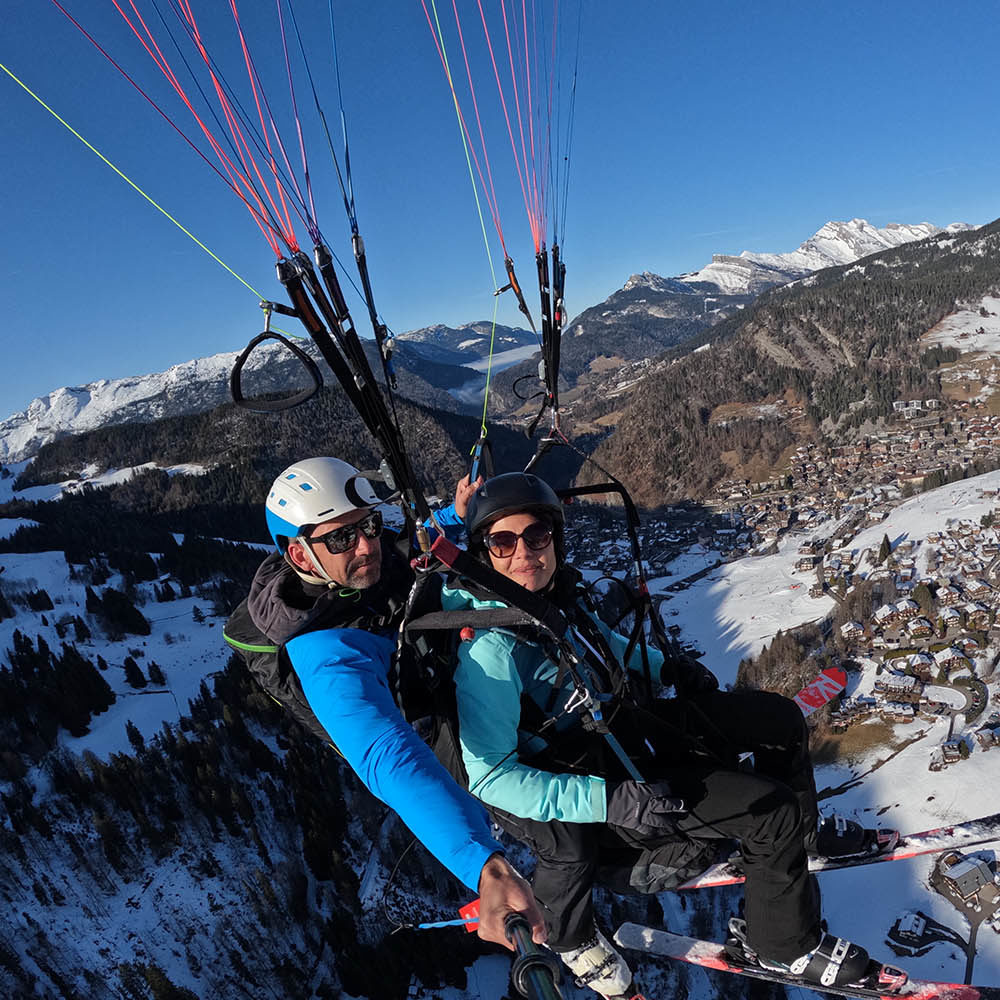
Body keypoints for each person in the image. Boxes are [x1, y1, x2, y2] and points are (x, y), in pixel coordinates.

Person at [442, 471, 899, 997]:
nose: (524, 552)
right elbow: (491, 776)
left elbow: (604, 644)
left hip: (622, 734)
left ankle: (799, 837)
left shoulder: (554, 598)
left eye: (536, 535)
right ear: (483, 553)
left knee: (779, 721)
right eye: (503, 542)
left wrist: (665, 666)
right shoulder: (490, 649)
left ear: (555, 539)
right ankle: (782, 945)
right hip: (605, 787)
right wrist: (610, 800)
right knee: (771, 811)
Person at [224, 457, 545, 951]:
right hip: (414, 718)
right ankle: (572, 928)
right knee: (527, 799)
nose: (365, 545)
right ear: (300, 555)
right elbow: (386, 755)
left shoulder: (356, 567)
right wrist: (487, 868)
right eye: (341, 538)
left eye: (369, 525)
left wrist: (455, 515)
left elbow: (405, 549)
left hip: (417, 663)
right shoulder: (325, 656)